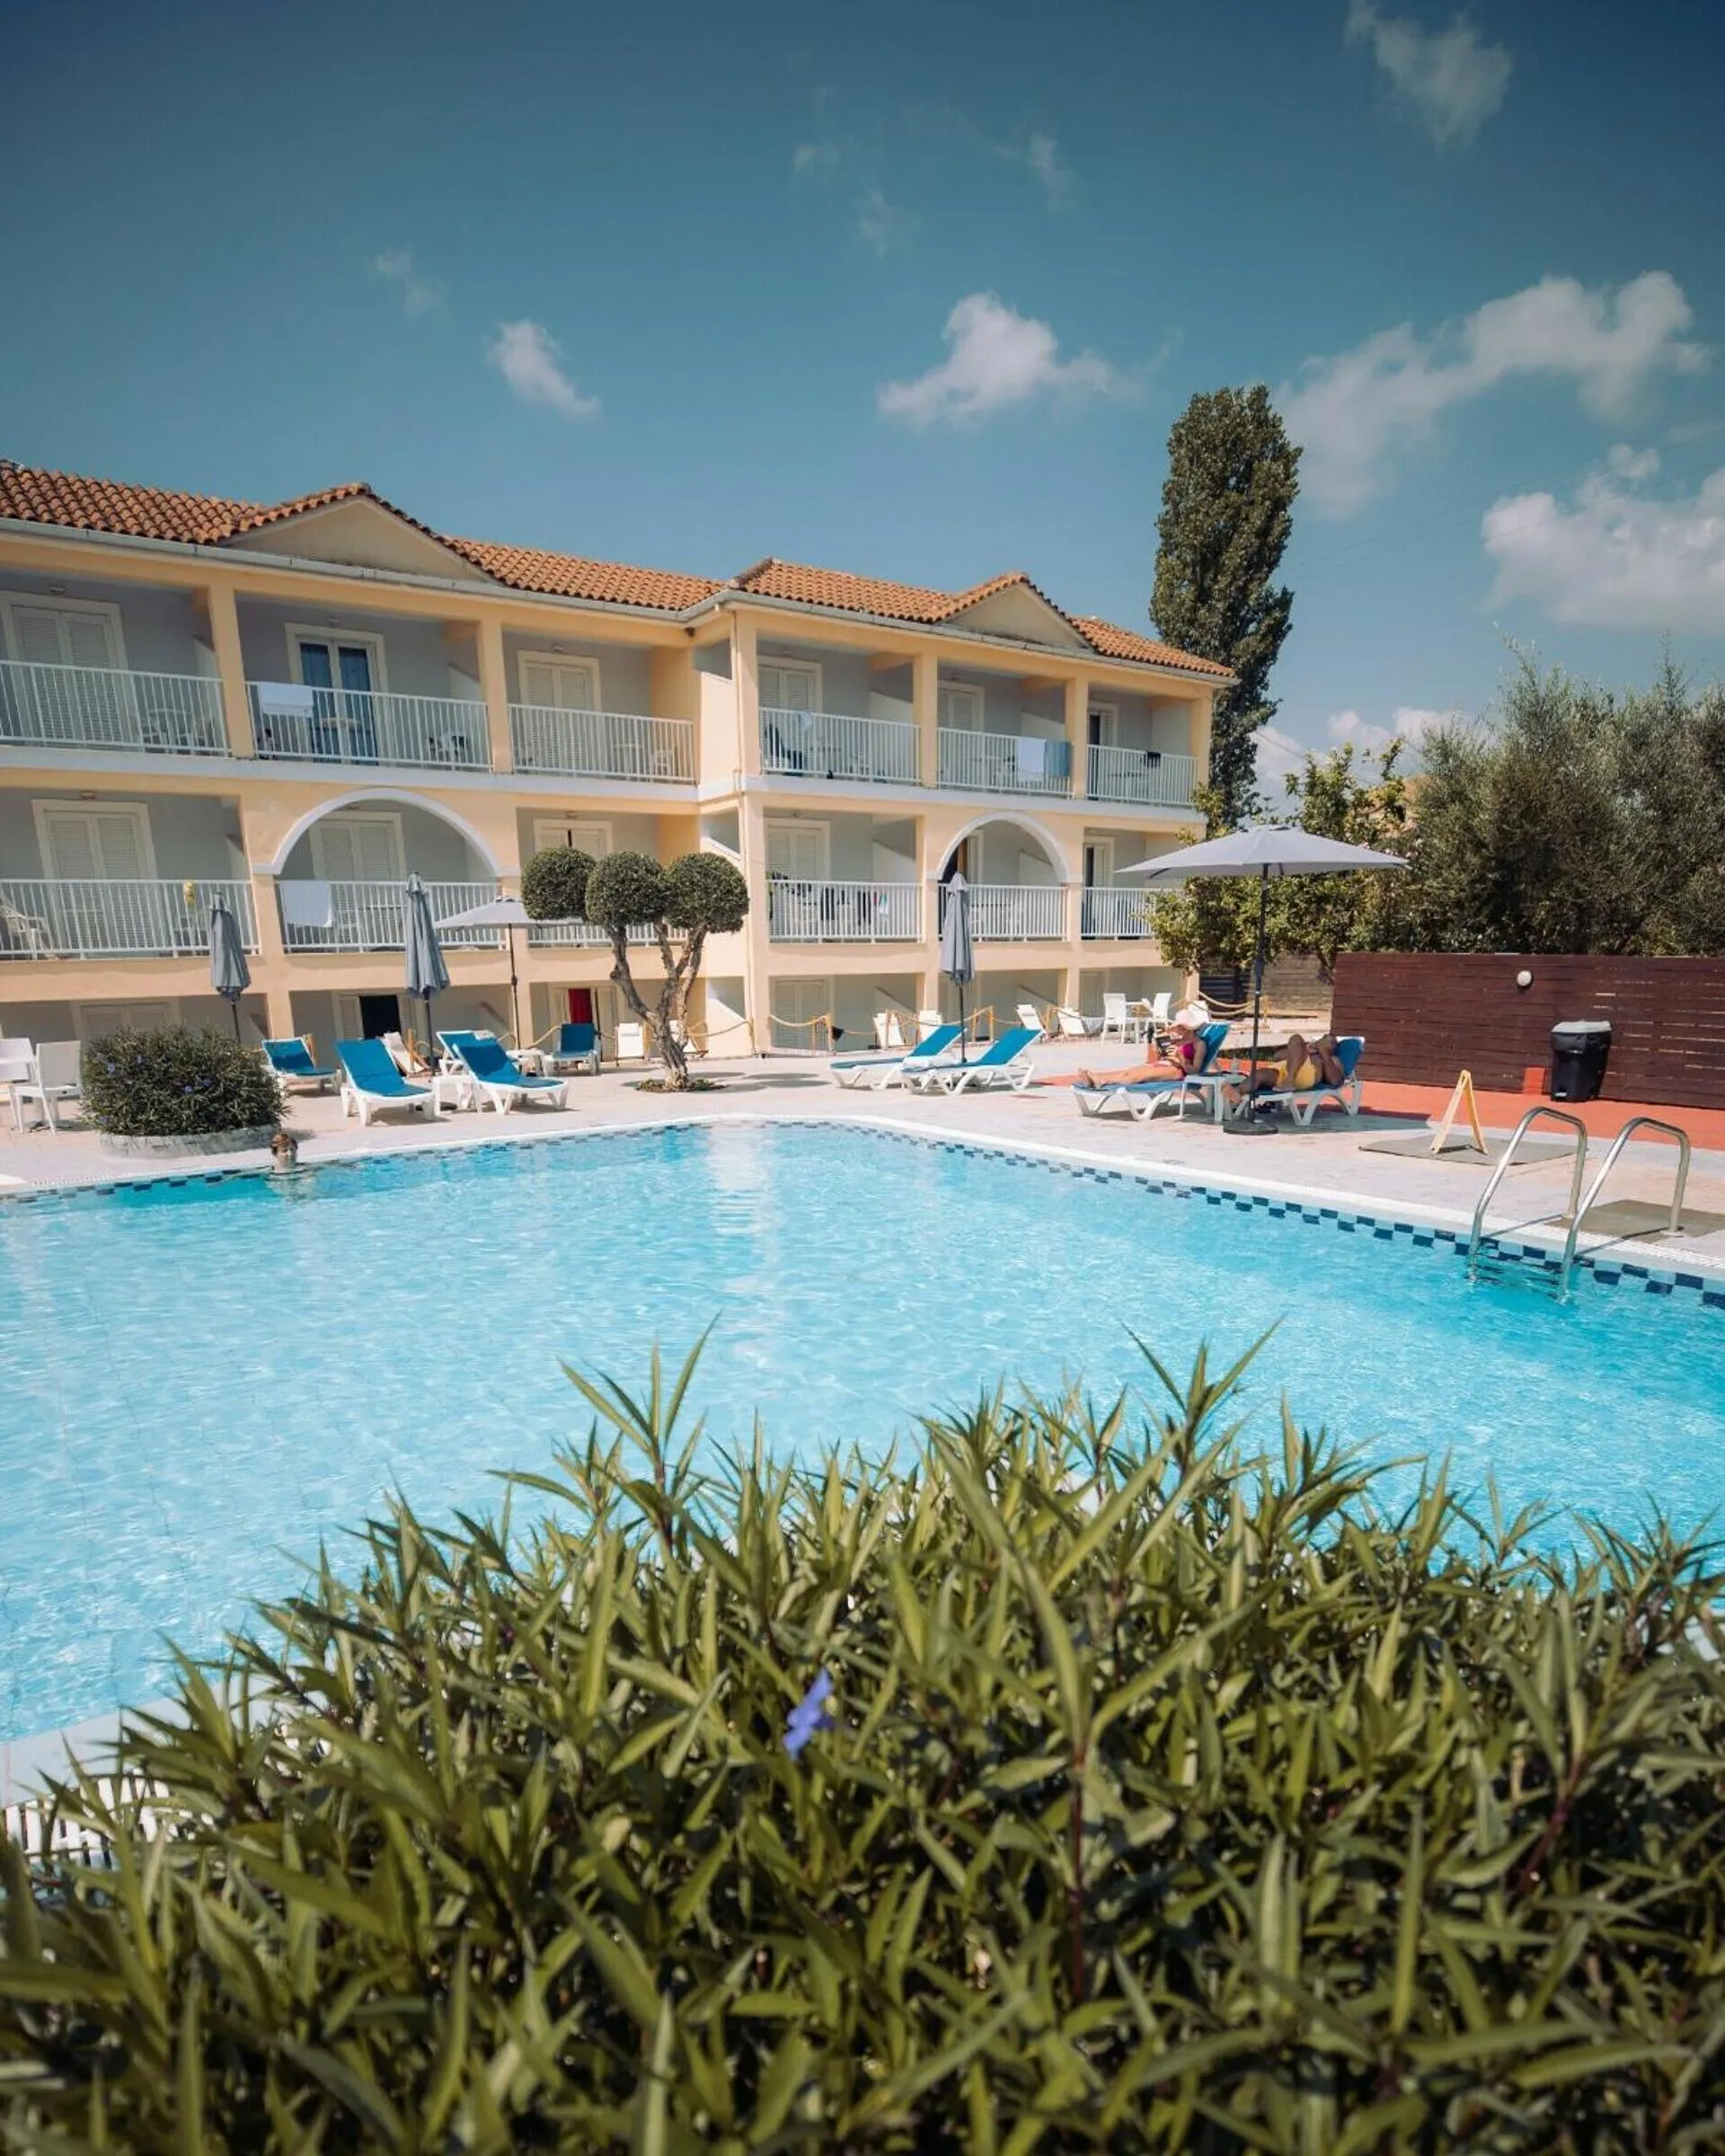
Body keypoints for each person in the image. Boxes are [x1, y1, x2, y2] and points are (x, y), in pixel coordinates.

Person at [1075, 1007, 1206, 1090]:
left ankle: (1102, 1080)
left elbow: (1194, 1071)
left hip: (1177, 1071)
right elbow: (1161, 1044)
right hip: (1163, 1064)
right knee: (1129, 1072)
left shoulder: (1199, 1044)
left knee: (1138, 1076)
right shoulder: (1178, 1039)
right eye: (1179, 1027)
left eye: (1182, 1026)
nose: (1180, 1029)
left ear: (1191, 1026)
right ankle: (1095, 1077)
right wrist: (1165, 1039)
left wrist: (1181, 1058)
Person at [1223, 1032, 1345, 1110]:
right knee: (1258, 1075)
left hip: (1302, 1077)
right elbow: (1277, 1056)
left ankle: (1290, 1081)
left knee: (1296, 1038)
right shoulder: (1305, 1052)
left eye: (1331, 1042)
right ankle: (1237, 1094)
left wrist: (1325, 1054)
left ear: (1334, 1048)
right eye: (1324, 1038)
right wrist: (1304, 1051)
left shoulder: (1333, 1060)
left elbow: (1335, 1081)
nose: (1323, 1042)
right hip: (1283, 1071)